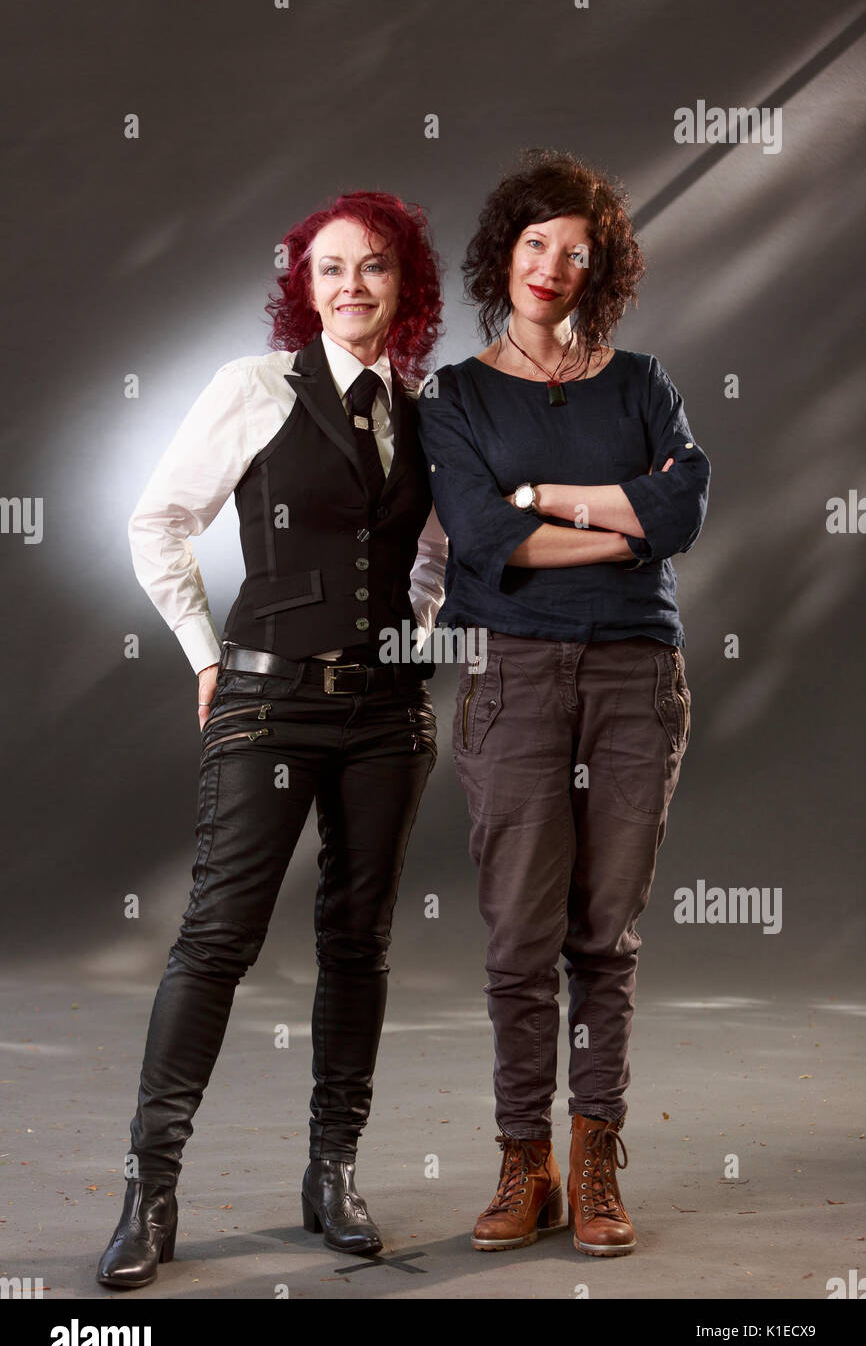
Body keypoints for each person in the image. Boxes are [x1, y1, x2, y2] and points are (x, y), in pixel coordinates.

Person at [97, 191, 448, 1288]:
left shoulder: (424, 412)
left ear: (405, 287)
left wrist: (414, 638)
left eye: (374, 267)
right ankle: (149, 1191)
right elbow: (157, 518)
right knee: (218, 936)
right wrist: (206, 653)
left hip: (387, 715)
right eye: (329, 267)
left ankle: (330, 1173)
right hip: (267, 700)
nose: (351, 285)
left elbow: (431, 556)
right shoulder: (251, 389)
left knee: (359, 943)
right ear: (301, 287)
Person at [417, 149, 710, 1258]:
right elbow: (482, 542)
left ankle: (593, 1155)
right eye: (535, 243)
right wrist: (617, 519)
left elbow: (679, 516)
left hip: (636, 676)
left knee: (605, 937)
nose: (551, 265)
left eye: (575, 251)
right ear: (506, 253)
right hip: (515, 681)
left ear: (601, 270)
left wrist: (546, 497)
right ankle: (520, 1160)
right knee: (516, 937)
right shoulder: (455, 394)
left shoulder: (640, 383)